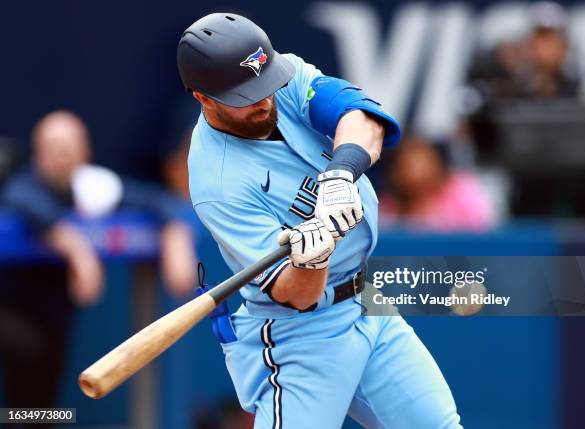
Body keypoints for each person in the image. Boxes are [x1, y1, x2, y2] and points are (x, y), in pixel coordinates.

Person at [180, 13, 462, 429]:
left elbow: (363, 117)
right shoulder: (217, 181)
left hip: (368, 302)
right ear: (204, 98)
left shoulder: (281, 76)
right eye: (246, 95)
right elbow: (297, 295)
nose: (264, 99)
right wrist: (312, 257)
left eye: (265, 82)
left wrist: (341, 174)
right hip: (301, 333)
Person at [0, 110, 197, 408]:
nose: (60, 157)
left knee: (41, 407)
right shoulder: (27, 188)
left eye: (67, 149)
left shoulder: (92, 188)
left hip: (55, 323)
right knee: (28, 368)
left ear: (84, 152)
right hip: (13, 312)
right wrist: (75, 247)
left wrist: (176, 233)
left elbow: (160, 202)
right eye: (51, 149)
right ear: (38, 153)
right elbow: (20, 198)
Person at [380, 136, 496, 231]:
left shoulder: (463, 193)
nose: (415, 170)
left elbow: (484, 232)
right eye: (406, 165)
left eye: (422, 163)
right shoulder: (387, 209)